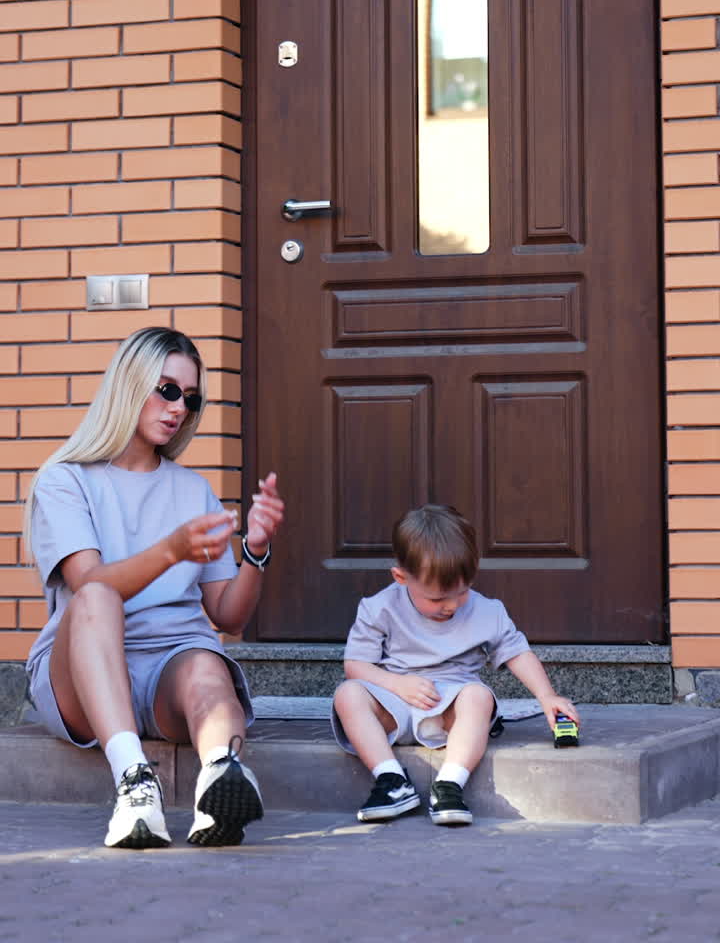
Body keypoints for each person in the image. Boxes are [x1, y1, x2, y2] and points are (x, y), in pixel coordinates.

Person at [24, 326, 284, 851]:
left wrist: (255, 551)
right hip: (84, 669)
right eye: (166, 390)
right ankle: (135, 784)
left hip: (171, 665)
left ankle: (220, 781)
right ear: (129, 383)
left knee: (207, 664)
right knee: (97, 594)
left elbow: (228, 615)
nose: (178, 408)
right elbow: (88, 583)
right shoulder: (65, 479)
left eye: (190, 398)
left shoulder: (194, 490)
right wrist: (171, 550)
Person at [332, 504, 578, 826]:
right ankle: (391, 781)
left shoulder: (487, 611)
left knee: (478, 696)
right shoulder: (379, 608)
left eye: (462, 592)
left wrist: (547, 696)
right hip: (394, 707)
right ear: (401, 577)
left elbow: (517, 653)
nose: (451, 605)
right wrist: (397, 685)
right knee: (348, 694)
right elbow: (356, 665)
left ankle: (449, 785)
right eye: (437, 599)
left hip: (449, 711)